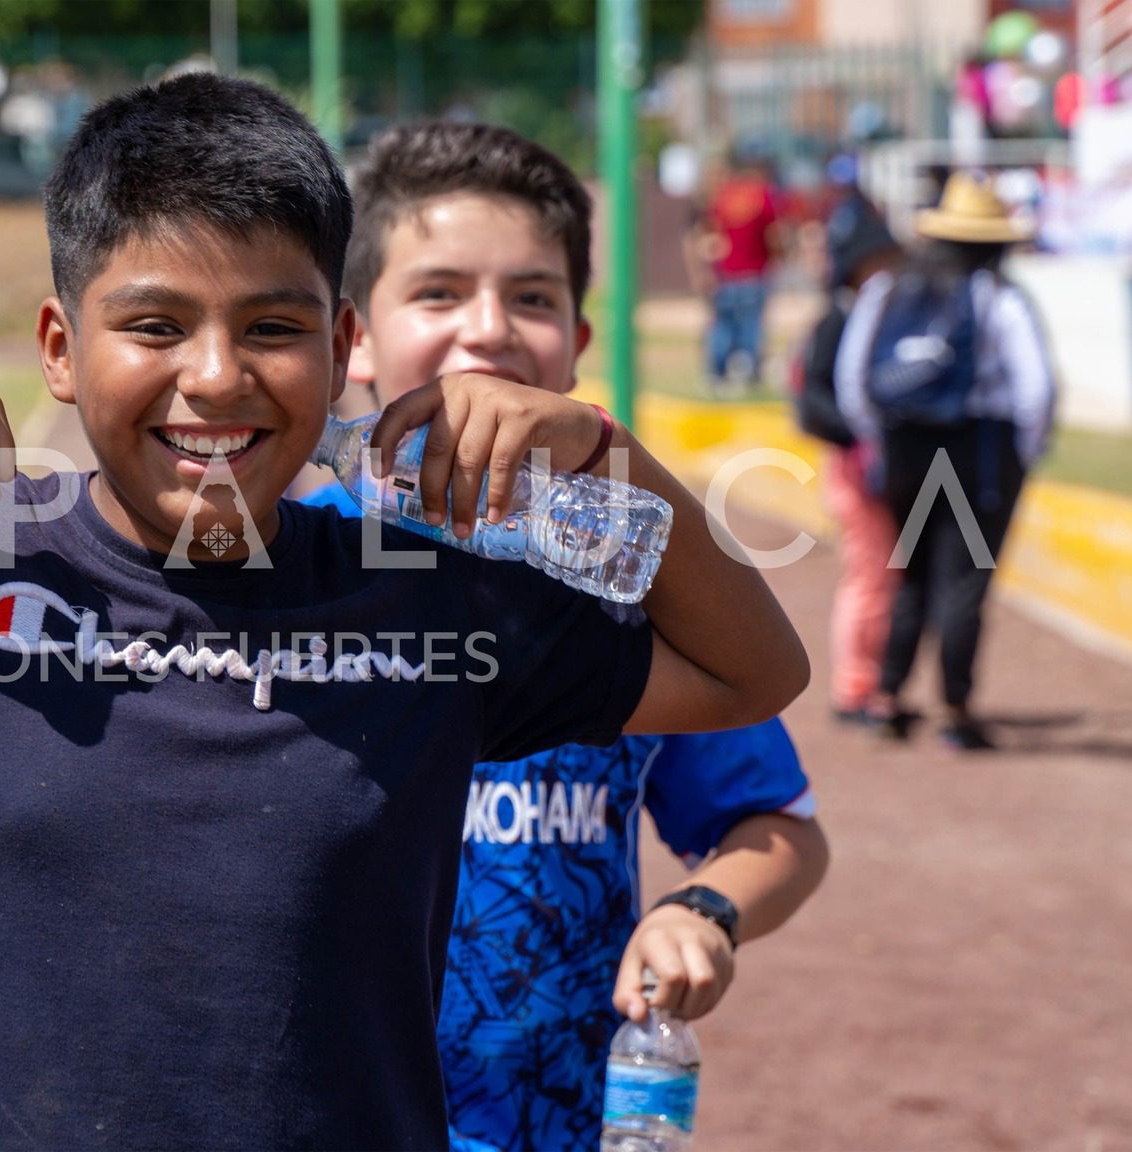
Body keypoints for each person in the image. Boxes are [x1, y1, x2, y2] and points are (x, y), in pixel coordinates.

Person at [0, 74, 807, 1147]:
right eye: (156, 325)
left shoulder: (424, 609)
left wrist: (607, 459)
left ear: (341, 345)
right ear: (61, 348)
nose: (216, 380)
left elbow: (750, 674)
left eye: (271, 328)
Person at [314, 120, 829, 1151]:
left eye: (533, 298)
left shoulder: (638, 593)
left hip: (567, 1124)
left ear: (577, 347)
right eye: (437, 292)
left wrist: (702, 913)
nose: (489, 330)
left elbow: (779, 827)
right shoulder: (287, 572)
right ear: (351, 338)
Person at [835, 172, 1055, 750]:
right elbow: (1036, 387)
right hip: (977, 460)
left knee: (910, 573)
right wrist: (1025, 454)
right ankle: (956, 709)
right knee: (965, 579)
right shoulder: (996, 295)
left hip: (906, 455)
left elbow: (854, 378)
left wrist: (878, 443)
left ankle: (887, 696)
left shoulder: (889, 289)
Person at [795, 174, 904, 726]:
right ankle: (854, 687)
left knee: (888, 575)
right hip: (856, 468)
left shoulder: (879, 314)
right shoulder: (838, 321)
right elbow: (811, 402)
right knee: (871, 575)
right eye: (878, 261)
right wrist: (864, 436)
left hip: (885, 466)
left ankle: (879, 681)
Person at [686, 153, 786, 394]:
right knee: (751, 326)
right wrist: (780, 257)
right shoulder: (761, 196)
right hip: (754, 273)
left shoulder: (723, 197)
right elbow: (773, 234)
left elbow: (708, 234)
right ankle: (746, 370)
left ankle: (716, 373)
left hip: (726, 275)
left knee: (723, 326)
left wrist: (705, 269)